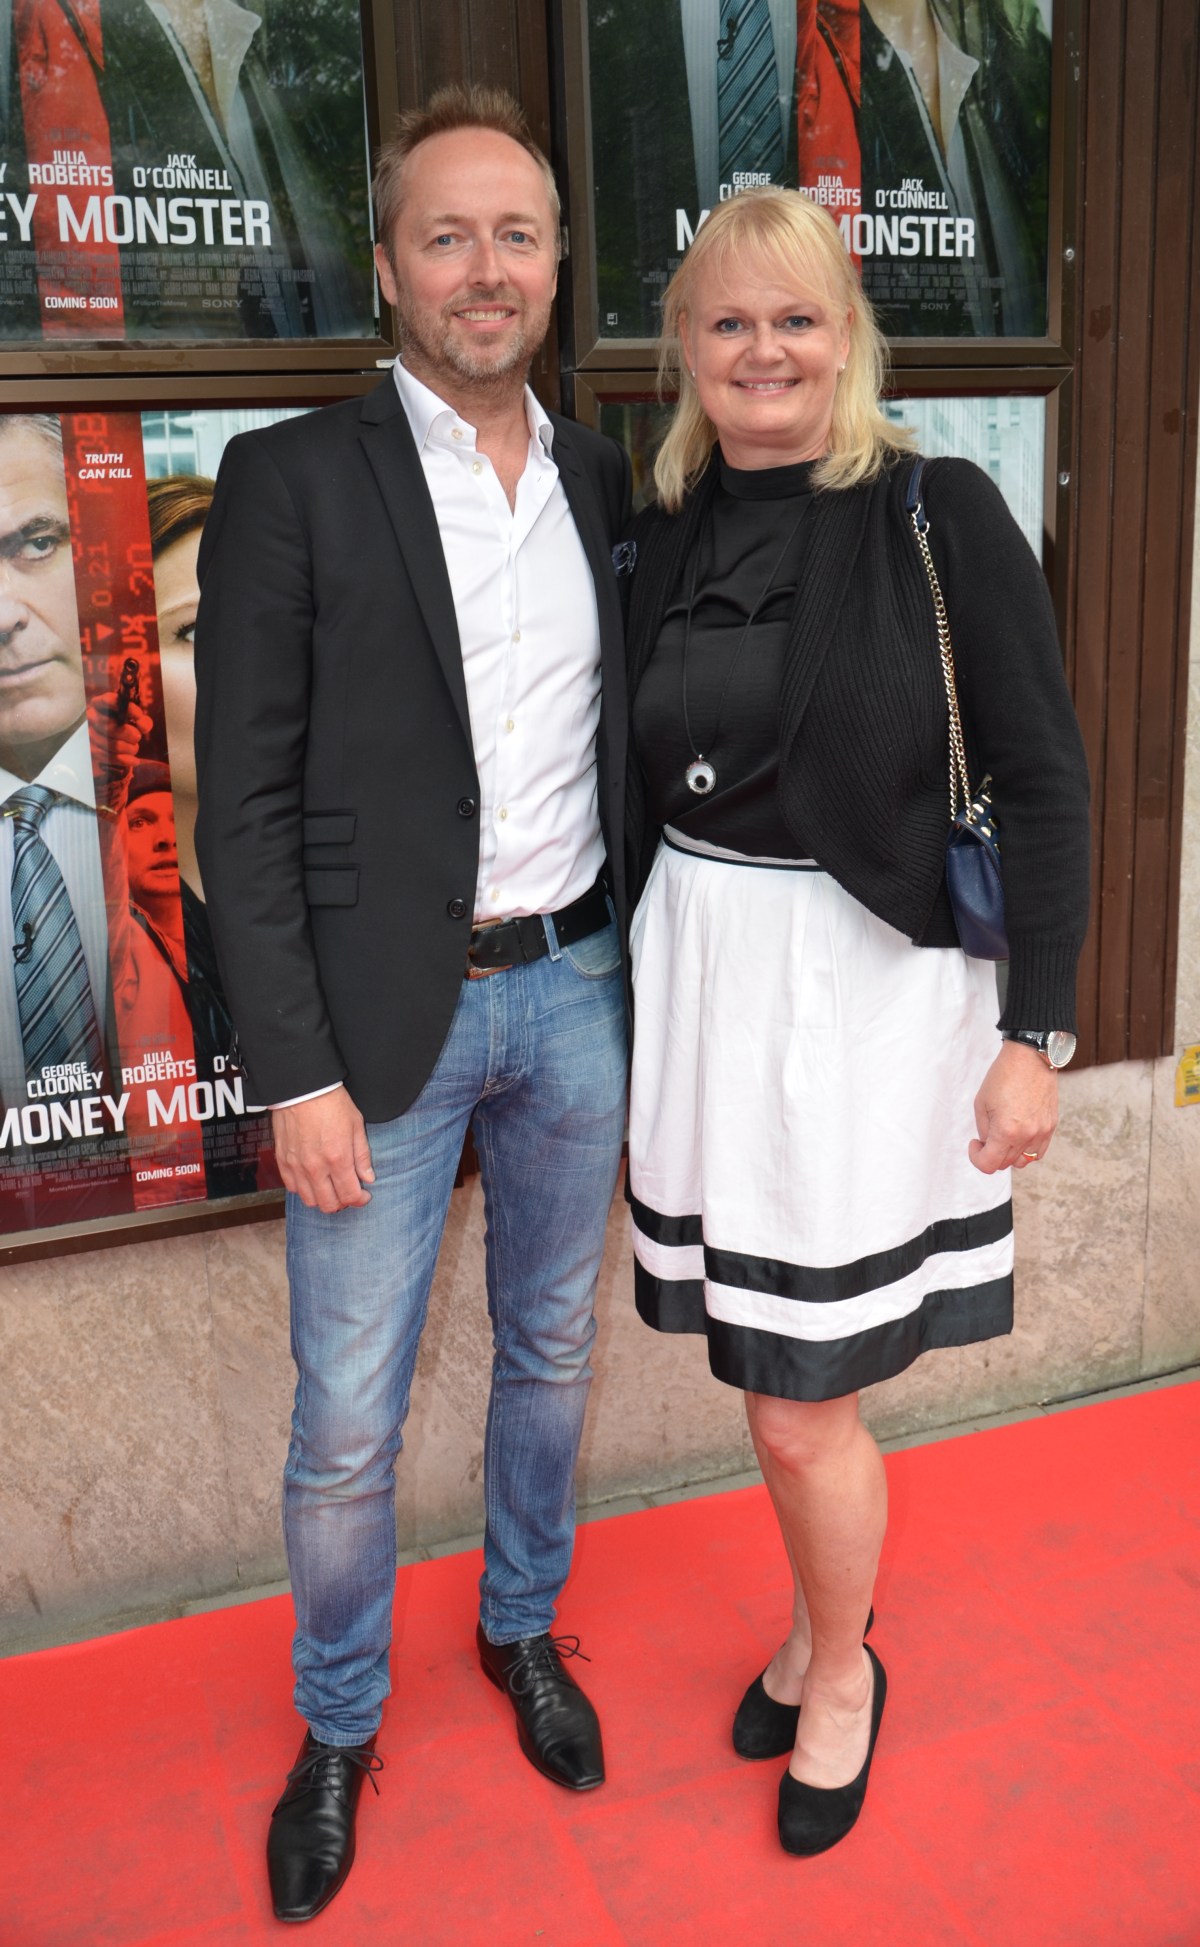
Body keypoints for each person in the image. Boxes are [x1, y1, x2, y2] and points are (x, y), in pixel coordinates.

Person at [193, 85, 631, 1925]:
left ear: (555, 264)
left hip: (577, 991)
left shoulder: (603, 474)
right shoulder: (294, 476)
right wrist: (289, 1068)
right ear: (386, 266)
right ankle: (337, 1721)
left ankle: (522, 1624)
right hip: (380, 1029)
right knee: (349, 1419)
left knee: (550, 1353)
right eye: (446, 237)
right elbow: (240, 803)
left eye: (515, 236)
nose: (484, 270)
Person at [624, 186, 1090, 1855]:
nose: (763, 350)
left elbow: (1044, 777)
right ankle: (819, 1627)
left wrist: (1038, 1031)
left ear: (848, 338)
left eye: (797, 319)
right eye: (729, 321)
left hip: (866, 993)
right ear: (686, 348)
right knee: (771, 1361)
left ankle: (841, 1670)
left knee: (797, 1392)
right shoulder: (663, 521)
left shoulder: (935, 509)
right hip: (707, 975)